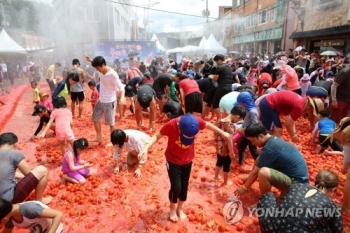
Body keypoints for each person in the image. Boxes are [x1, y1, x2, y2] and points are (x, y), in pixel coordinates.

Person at [138, 114, 231, 222]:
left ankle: (179, 209)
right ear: (179, 126)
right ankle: (172, 209)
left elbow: (208, 125)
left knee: (184, 186)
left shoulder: (195, 121)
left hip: (188, 160)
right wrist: (146, 147)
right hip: (172, 161)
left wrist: (222, 132)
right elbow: (157, 136)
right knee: (176, 187)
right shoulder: (171, 124)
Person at [234, 123, 309, 198]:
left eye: (253, 141)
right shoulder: (273, 140)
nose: (253, 144)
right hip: (299, 178)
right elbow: (259, 160)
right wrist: (249, 177)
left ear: (261, 136)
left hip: (297, 184)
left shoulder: (270, 148)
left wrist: (244, 188)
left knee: (263, 172)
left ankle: (265, 201)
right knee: (259, 159)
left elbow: (256, 172)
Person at [258, 170, 342, 233]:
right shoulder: (330, 205)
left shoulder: (297, 186)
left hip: (270, 226)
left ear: (315, 181)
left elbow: (284, 200)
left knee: (268, 196)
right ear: (333, 189)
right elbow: (337, 229)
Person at [0, 132, 51, 204]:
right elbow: (28, 174)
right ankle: (39, 200)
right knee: (42, 170)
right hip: (7, 201)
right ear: (14, 144)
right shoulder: (14, 153)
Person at [85, 55, 125, 145]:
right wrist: (91, 60)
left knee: (111, 123)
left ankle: (113, 140)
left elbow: (121, 87)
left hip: (110, 101)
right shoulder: (101, 69)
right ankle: (98, 137)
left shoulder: (112, 74)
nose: (97, 69)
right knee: (95, 118)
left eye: (98, 67)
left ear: (103, 64)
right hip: (101, 99)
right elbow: (97, 64)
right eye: (96, 67)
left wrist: (122, 97)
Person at [258, 90, 324, 141]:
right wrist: (293, 136)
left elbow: (291, 122)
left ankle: (270, 144)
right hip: (269, 104)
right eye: (311, 112)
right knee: (276, 129)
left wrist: (294, 134)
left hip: (269, 102)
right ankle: (268, 147)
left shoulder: (302, 101)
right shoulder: (300, 107)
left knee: (274, 129)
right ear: (311, 107)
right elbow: (288, 124)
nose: (309, 113)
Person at [214, 106, 245, 185]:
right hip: (226, 150)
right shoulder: (230, 126)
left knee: (219, 162)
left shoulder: (219, 121)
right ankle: (225, 182)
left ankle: (216, 177)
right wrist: (231, 152)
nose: (237, 121)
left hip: (218, 148)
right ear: (237, 116)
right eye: (239, 119)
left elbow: (215, 133)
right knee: (226, 166)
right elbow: (230, 140)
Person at [235, 91, 259, 166]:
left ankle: (259, 166)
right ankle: (240, 164)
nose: (241, 105)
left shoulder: (252, 112)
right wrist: (242, 126)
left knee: (253, 152)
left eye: (241, 103)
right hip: (246, 134)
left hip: (251, 135)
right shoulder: (247, 110)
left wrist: (244, 128)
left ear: (245, 102)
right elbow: (246, 121)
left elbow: (255, 126)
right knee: (240, 147)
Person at [209, 54, 233, 119]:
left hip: (222, 88)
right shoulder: (229, 67)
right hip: (229, 87)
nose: (216, 63)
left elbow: (215, 79)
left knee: (215, 103)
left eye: (216, 62)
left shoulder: (219, 67)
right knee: (225, 104)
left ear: (219, 60)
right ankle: (225, 118)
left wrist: (211, 76)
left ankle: (219, 119)